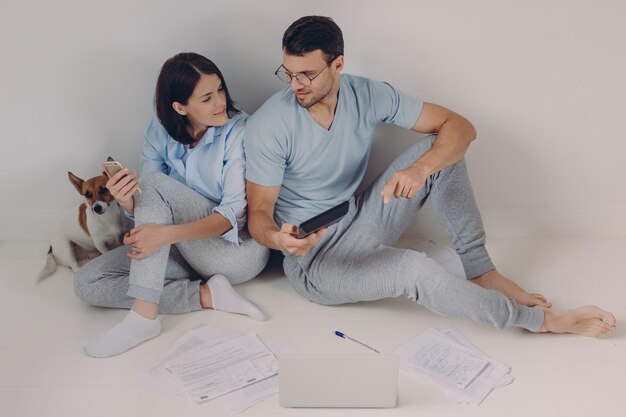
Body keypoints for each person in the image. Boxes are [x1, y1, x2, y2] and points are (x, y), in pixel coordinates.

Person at [244, 16, 616, 337]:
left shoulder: (368, 94)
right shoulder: (270, 124)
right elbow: (259, 213)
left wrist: (422, 168)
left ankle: (480, 270)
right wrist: (278, 239)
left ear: (338, 64)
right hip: (317, 262)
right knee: (413, 268)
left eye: (307, 74)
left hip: (360, 217)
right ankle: (540, 321)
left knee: (441, 150)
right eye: (288, 73)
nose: (295, 85)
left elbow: (461, 127)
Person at [74, 52, 270, 357]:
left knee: (151, 185)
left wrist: (163, 236)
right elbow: (150, 204)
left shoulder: (239, 129)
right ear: (180, 107)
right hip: (183, 249)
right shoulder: (158, 130)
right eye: (207, 98)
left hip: (234, 251)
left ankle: (143, 317)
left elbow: (232, 216)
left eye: (220, 89)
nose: (220, 102)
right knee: (87, 282)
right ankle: (206, 295)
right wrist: (127, 201)